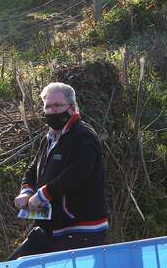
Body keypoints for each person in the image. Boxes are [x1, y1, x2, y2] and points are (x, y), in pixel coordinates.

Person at [8, 82, 108, 260]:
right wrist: (27, 192)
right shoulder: (49, 138)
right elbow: (33, 169)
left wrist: (43, 195)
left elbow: (78, 173)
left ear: (71, 108)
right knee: (13, 263)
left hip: (82, 231)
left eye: (57, 106)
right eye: (48, 106)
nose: (52, 111)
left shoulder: (83, 136)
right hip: (48, 229)